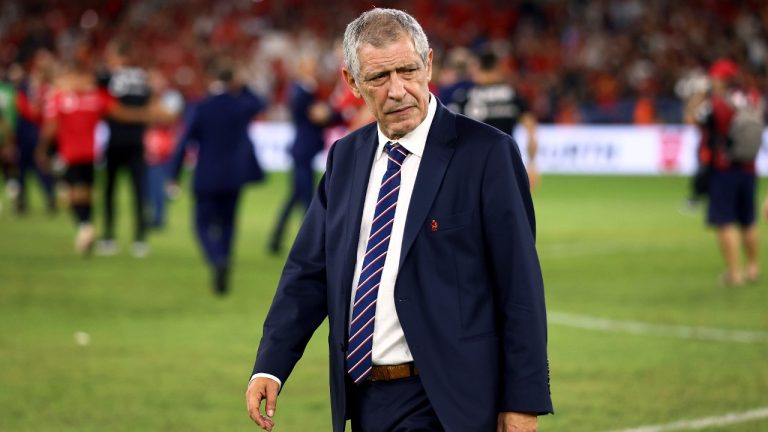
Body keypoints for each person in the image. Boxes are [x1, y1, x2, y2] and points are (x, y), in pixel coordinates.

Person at [246, 8, 552, 432]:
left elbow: (520, 284)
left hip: (449, 401)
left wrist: (522, 401)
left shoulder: (487, 154)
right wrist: (271, 365)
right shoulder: (346, 157)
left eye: (407, 71)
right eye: (378, 77)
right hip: (364, 399)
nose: (397, 90)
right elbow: (308, 272)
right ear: (352, 82)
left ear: (429, 65)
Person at [35, 51, 160, 256]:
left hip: (70, 154)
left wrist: (42, 150)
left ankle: (85, 226)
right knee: (86, 193)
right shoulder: (96, 97)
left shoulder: (59, 98)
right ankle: (89, 227)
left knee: (74, 193)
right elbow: (121, 113)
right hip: (91, 155)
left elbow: (50, 128)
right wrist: (148, 114)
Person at [169, 63, 267, 296]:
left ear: (210, 79)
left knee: (201, 224)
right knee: (228, 224)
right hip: (234, 175)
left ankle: (217, 259)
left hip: (207, 175)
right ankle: (224, 260)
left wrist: (174, 175)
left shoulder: (200, 107)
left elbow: (184, 143)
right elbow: (260, 104)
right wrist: (244, 85)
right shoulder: (240, 105)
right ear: (232, 80)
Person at [694, 58, 763, 286]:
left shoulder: (716, 103)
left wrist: (698, 95)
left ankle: (735, 273)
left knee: (725, 222)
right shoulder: (752, 97)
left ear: (720, 79)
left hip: (723, 169)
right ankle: (753, 267)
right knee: (748, 220)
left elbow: (693, 119)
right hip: (749, 166)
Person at [448, 49, 540, 189]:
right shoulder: (512, 95)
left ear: (477, 67)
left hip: (473, 166)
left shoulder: (465, 96)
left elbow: (448, 130)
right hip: (506, 164)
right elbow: (531, 129)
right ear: (497, 67)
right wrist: (532, 165)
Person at [268, 55, 331, 254]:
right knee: (306, 198)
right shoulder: (302, 90)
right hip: (303, 150)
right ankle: (309, 243)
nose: (315, 70)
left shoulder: (301, 89)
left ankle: (276, 239)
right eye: (311, 67)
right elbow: (316, 115)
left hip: (303, 150)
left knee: (297, 196)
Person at [95, 40, 153, 258]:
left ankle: (109, 237)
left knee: (110, 191)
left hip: (115, 141)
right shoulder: (142, 78)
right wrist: (141, 116)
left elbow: (103, 104)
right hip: (137, 141)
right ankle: (140, 239)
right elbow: (149, 105)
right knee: (139, 192)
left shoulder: (107, 78)